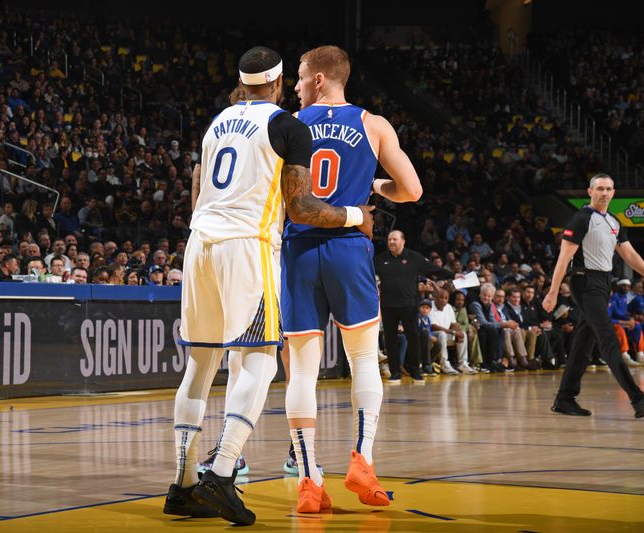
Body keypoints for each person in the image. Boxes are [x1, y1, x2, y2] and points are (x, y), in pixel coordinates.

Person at [165, 46, 371, 526]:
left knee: (199, 364)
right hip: (247, 245)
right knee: (258, 361)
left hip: (200, 241)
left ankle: (183, 485)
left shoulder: (216, 122)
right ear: (279, 83)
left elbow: (198, 190)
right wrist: (360, 215)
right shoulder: (287, 126)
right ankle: (220, 470)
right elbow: (302, 210)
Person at [279, 45, 422, 513]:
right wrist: (373, 187)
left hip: (299, 248)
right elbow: (412, 190)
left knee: (301, 368)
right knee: (363, 359)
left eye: (300, 77)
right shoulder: (373, 124)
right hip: (349, 248)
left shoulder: (288, 125)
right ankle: (363, 459)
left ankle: (307, 480)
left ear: (319, 79)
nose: (296, 86)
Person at [543, 174, 644, 418]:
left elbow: (630, 255)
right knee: (607, 338)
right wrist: (552, 292)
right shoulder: (581, 218)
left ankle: (565, 398)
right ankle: (638, 398)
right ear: (590, 191)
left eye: (609, 189)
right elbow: (564, 259)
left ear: (614, 192)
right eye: (600, 188)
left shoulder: (614, 221)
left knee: (584, 343)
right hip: (585, 281)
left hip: (604, 283)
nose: (604, 193)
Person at [375, 230, 453, 382]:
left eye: (395, 239)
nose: (391, 242)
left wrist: (453, 275)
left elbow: (434, 269)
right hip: (388, 306)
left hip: (409, 306)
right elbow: (367, 274)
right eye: (390, 239)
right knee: (390, 340)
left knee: (414, 338)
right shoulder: (380, 259)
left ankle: (415, 371)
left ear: (403, 241)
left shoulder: (413, 257)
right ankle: (395, 372)